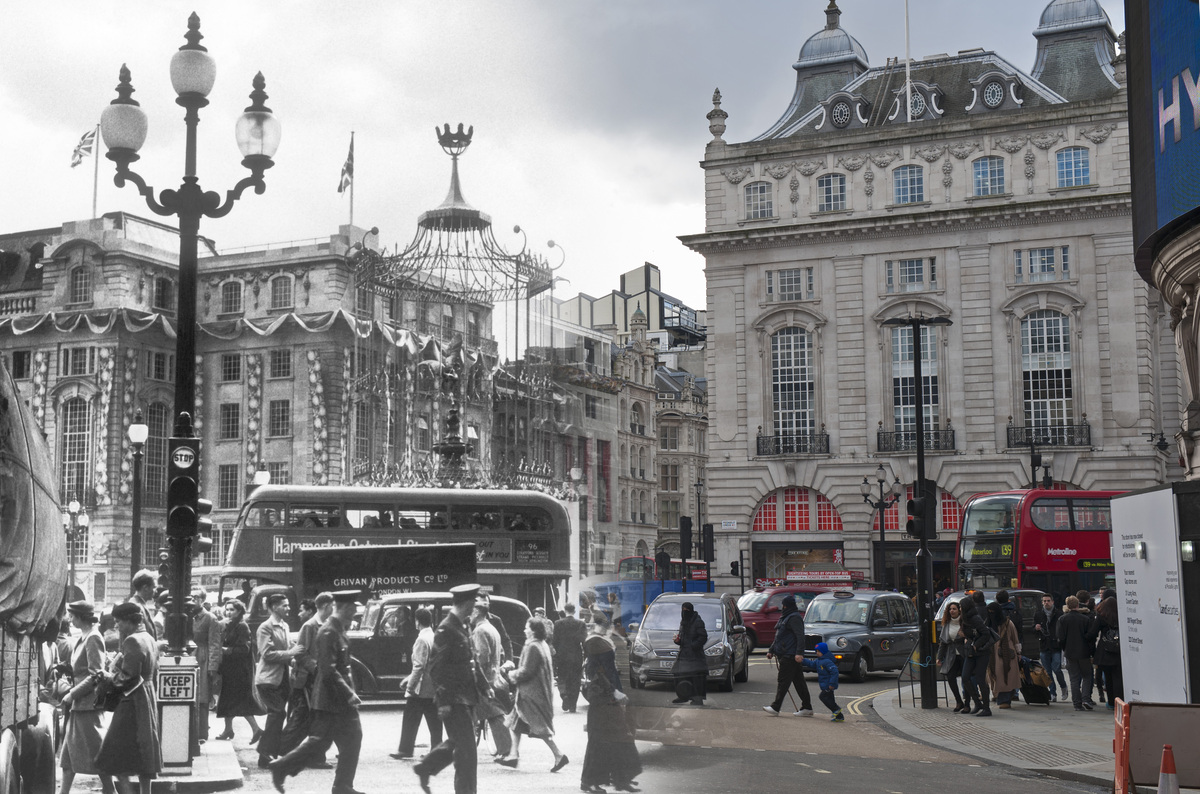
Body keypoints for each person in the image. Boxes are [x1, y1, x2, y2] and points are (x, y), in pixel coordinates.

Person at [270, 590, 365, 794]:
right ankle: (282, 767)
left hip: (336, 699)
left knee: (349, 739)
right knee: (322, 741)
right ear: (346, 608)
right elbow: (328, 670)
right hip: (331, 698)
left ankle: (342, 785)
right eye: (354, 607)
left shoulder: (337, 628)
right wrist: (349, 693)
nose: (356, 611)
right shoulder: (329, 631)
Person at [414, 583, 489, 794]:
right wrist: (444, 701)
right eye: (474, 602)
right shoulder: (446, 629)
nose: (475, 606)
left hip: (465, 698)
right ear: (466, 603)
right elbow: (437, 669)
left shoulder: (460, 626)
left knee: (461, 745)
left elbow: (470, 661)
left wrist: (483, 686)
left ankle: (425, 767)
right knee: (467, 755)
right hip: (454, 700)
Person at [93, 602, 161, 794]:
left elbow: (127, 678)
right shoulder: (148, 638)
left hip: (132, 702)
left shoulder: (132, 641)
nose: (117, 626)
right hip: (146, 696)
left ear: (130, 621)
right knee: (143, 755)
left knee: (115, 757)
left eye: (119, 621)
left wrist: (108, 677)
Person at [57, 600, 116, 794]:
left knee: (98, 754)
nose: (70, 619)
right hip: (80, 706)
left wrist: (71, 694)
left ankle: (111, 791)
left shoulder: (93, 637)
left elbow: (96, 674)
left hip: (88, 706)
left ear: (82, 616)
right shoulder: (85, 636)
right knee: (68, 757)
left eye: (73, 616)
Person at [497, 617, 568, 772]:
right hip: (534, 692)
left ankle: (559, 755)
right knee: (515, 722)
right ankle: (513, 755)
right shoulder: (543, 645)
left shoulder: (532, 647)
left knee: (539, 727)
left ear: (534, 630)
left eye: (527, 627)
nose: (524, 630)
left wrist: (511, 674)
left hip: (531, 694)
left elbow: (527, 671)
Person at [580, 619, 641, 794]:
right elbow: (600, 673)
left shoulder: (599, 642)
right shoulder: (597, 643)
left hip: (605, 696)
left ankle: (619, 778)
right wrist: (614, 692)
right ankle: (595, 781)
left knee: (615, 737)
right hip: (603, 697)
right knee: (603, 740)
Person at [280, 592, 333, 760]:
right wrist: (317, 669)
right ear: (325, 606)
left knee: (317, 717)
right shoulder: (310, 626)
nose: (335, 609)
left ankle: (315, 754)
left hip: (320, 679)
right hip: (309, 680)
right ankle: (283, 749)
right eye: (333, 606)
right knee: (302, 718)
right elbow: (300, 654)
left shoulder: (329, 624)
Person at [256, 593, 302, 768]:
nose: (288, 608)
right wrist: (291, 654)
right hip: (268, 679)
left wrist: (293, 659)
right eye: (285, 605)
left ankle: (267, 754)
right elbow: (266, 654)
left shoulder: (284, 626)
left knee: (280, 714)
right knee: (277, 713)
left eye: (288, 605)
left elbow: (287, 649)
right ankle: (264, 750)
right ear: (274, 607)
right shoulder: (265, 627)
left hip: (282, 678)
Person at [392, 606, 442, 760]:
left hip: (420, 688)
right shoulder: (433, 636)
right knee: (434, 721)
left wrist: (410, 686)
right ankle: (437, 749)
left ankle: (405, 749)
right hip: (432, 686)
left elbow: (419, 666)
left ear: (417, 622)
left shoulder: (421, 639)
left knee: (410, 719)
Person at [215, 599, 264, 742]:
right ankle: (228, 730)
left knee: (239, 701)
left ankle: (256, 729)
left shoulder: (242, 626)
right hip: (231, 669)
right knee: (227, 699)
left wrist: (225, 650)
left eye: (232, 610)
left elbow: (244, 649)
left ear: (239, 611)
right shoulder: (230, 624)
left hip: (240, 671)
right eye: (227, 609)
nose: (229, 612)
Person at [469, 600, 512, 760]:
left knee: (494, 714)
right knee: (492, 714)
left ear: (477, 612)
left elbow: (482, 657)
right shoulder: (492, 628)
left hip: (485, 678)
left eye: (471, 612)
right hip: (495, 676)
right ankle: (506, 750)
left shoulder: (480, 631)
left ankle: (506, 750)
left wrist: (474, 669)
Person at [762, 594, 814, 717]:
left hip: (789, 655)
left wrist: (799, 653)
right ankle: (807, 707)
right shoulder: (785, 617)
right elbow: (779, 636)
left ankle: (776, 707)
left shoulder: (794, 618)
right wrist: (771, 650)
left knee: (783, 682)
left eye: (783, 605)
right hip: (786, 654)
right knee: (799, 683)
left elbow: (800, 636)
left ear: (786, 605)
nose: (782, 607)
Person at [1057, 594, 1099, 711]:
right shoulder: (1085, 619)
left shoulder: (1062, 619)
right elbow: (1090, 637)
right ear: (1077, 605)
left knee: (1074, 678)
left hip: (1070, 652)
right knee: (1087, 676)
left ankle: (1077, 704)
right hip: (1084, 652)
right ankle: (1086, 698)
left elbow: (1060, 637)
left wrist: (1065, 648)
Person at [191, 589, 223, 741]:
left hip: (202, 657)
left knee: (202, 696)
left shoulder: (210, 618)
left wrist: (213, 667)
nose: (193, 600)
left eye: (196, 597)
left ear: (203, 600)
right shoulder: (187, 616)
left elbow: (214, 644)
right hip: (189, 656)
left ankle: (202, 733)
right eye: (191, 597)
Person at [959, 594, 994, 717]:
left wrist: (976, 644)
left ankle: (986, 708)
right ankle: (977, 702)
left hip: (981, 652)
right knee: (965, 677)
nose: (959, 609)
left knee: (980, 678)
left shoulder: (975, 618)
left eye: (960, 607)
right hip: (970, 652)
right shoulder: (964, 619)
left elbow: (986, 633)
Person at [986, 597, 1021, 709]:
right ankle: (999, 696)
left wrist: (1019, 652)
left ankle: (1004, 699)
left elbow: (1015, 639)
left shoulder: (1007, 623)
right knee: (994, 675)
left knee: (1004, 675)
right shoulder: (987, 624)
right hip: (992, 654)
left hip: (1005, 653)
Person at [671, 601, 709, 707]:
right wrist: (678, 641)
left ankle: (697, 699)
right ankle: (683, 696)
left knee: (696, 677)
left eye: (686, 610)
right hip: (684, 653)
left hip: (695, 655)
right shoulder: (683, 621)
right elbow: (682, 637)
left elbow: (703, 637)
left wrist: (693, 646)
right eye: (683, 610)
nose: (684, 612)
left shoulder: (698, 621)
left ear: (691, 610)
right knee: (678, 674)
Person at [552, 603, 587, 713]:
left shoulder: (557, 623)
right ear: (574, 611)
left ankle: (564, 695)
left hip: (562, 655)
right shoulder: (581, 624)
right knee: (575, 680)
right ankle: (572, 705)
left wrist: (556, 655)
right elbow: (584, 641)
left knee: (562, 677)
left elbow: (554, 641)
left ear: (565, 610)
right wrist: (586, 656)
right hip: (576, 656)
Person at [1034, 593, 1068, 702]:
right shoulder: (1038, 614)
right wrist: (1036, 628)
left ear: (1052, 602)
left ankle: (1063, 687)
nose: (1046, 603)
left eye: (1048, 600)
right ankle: (1052, 693)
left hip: (1056, 645)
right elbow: (1034, 630)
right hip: (1044, 645)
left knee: (1057, 668)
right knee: (1047, 672)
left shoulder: (1058, 614)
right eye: (1044, 601)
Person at [936, 599, 968, 712]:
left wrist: (965, 636)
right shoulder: (947, 624)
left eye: (954, 609)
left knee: (966, 679)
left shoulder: (964, 623)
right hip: (951, 655)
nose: (951, 611)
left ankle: (967, 704)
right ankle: (959, 701)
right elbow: (943, 643)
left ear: (959, 610)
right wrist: (939, 657)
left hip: (964, 654)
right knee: (950, 677)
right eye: (950, 609)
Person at [1093, 595, 1123, 709]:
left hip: (1105, 651)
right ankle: (1119, 701)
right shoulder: (1121, 615)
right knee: (1118, 678)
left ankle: (1111, 702)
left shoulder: (1101, 616)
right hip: (1119, 650)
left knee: (1108, 679)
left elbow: (1093, 632)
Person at [801, 642, 842, 721]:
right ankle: (839, 716)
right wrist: (803, 660)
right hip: (824, 684)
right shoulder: (819, 661)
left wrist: (832, 684)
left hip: (828, 685)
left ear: (823, 652)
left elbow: (835, 672)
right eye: (816, 651)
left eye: (819, 651)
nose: (817, 653)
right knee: (830, 699)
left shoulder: (827, 661)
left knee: (823, 697)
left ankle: (836, 709)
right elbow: (811, 664)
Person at [128, 569, 158, 641]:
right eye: (154, 587)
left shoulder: (140, 604)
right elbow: (138, 639)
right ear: (146, 588)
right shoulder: (135, 607)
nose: (156, 591)